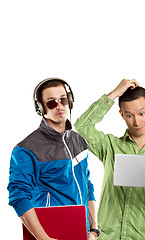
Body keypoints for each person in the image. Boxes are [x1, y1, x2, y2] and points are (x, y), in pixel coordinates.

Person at [75, 79, 145, 240]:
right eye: (129, 115)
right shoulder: (110, 146)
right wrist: (114, 94)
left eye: (142, 113)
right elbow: (82, 127)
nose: (137, 121)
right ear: (122, 115)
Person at [7, 78, 98, 240]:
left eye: (63, 100)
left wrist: (94, 229)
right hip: (51, 233)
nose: (59, 106)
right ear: (41, 108)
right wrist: (44, 239)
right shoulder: (26, 149)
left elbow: (87, 185)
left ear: (69, 101)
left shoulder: (79, 141)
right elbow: (19, 196)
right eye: (51, 102)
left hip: (81, 234)